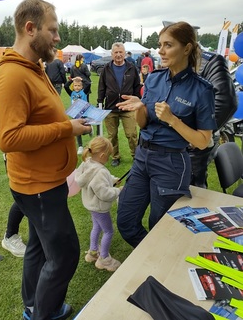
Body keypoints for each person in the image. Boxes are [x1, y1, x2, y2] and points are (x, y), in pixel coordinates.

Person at [0, 0, 92, 320]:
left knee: (37, 246)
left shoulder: (34, 67)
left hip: (45, 181)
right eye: (53, 30)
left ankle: (32, 307)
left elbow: (38, 118)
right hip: (37, 186)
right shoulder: (11, 76)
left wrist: (66, 123)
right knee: (65, 256)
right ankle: (43, 315)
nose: (58, 38)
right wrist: (66, 128)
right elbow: (8, 138)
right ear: (30, 29)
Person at [116, 21, 217, 248]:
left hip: (172, 163)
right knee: (126, 221)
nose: (160, 51)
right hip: (142, 157)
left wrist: (173, 120)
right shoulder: (153, 78)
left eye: (168, 45)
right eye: (160, 45)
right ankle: (151, 256)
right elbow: (143, 125)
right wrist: (140, 108)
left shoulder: (202, 90)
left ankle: (157, 265)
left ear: (187, 48)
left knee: (160, 226)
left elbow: (203, 142)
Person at [189, 50, 237, 188]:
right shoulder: (173, 64)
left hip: (195, 144)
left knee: (192, 187)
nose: (162, 50)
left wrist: (198, 135)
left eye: (169, 44)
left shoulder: (210, 61)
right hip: (174, 144)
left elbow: (225, 102)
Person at [75, 136, 122, 272]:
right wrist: (117, 191)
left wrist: (113, 180)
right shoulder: (100, 171)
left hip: (91, 205)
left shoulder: (87, 163)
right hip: (100, 207)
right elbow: (104, 193)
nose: (108, 159)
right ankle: (104, 259)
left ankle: (93, 252)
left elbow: (100, 182)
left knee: (96, 227)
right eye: (108, 156)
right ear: (102, 155)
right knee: (108, 231)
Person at [97, 42, 141, 167]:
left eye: (120, 52)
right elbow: (101, 87)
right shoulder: (106, 69)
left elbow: (137, 86)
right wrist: (100, 102)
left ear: (125, 53)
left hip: (128, 107)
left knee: (132, 134)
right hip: (110, 108)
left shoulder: (132, 68)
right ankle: (115, 157)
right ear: (112, 54)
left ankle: (136, 156)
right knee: (112, 135)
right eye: (116, 52)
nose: (118, 55)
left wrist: (137, 100)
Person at [64, 77, 88, 155]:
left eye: (78, 86)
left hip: (83, 113)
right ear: (73, 86)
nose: (77, 87)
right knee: (77, 130)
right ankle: (80, 146)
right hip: (75, 114)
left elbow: (88, 84)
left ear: (81, 87)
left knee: (84, 129)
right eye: (75, 85)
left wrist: (81, 79)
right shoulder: (72, 93)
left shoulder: (84, 92)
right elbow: (65, 86)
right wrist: (72, 80)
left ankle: (89, 131)